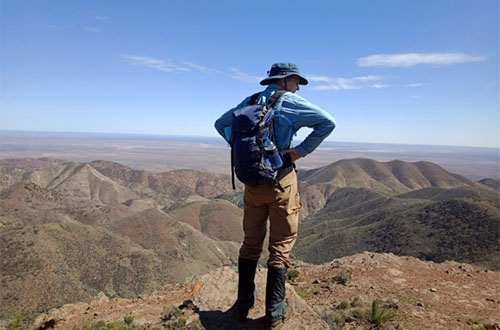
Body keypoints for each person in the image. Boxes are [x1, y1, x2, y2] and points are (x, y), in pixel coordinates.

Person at [214, 62, 336, 329]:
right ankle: (275, 313)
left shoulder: (250, 100)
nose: (297, 87)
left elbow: (221, 124)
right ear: (285, 80)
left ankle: (242, 306)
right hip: (281, 180)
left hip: (252, 183)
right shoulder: (290, 102)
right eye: (296, 82)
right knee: (280, 247)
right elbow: (328, 122)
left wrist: (242, 150)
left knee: (250, 243)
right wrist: (301, 150)